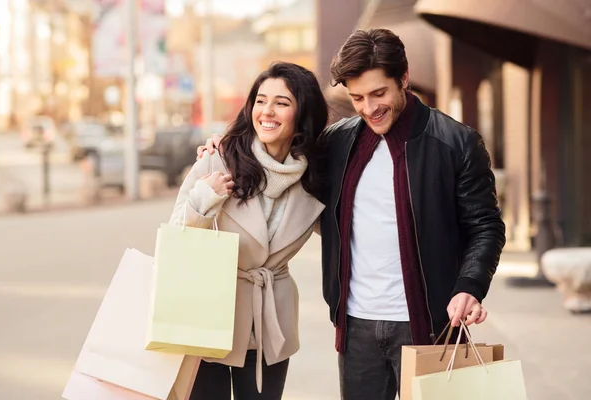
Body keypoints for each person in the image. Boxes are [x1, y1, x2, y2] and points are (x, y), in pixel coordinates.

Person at [199, 28, 506, 399]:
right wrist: (225, 143)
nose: (369, 108)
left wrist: (470, 287)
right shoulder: (337, 142)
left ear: (404, 79)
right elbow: (276, 152)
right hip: (357, 325)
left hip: (430, 324)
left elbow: (486, 226)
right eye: (357, 97)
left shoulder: (455, 142)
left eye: (379, 93)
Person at [170, 62, 328, 400]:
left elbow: (344, 235)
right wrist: (204, 198)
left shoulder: (315, 178)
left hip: (269, 318)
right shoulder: (220, 159)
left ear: (302, 114)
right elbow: (174, 235)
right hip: (209, 312)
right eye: (260, 100)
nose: (267, 111)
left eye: (282, 103)